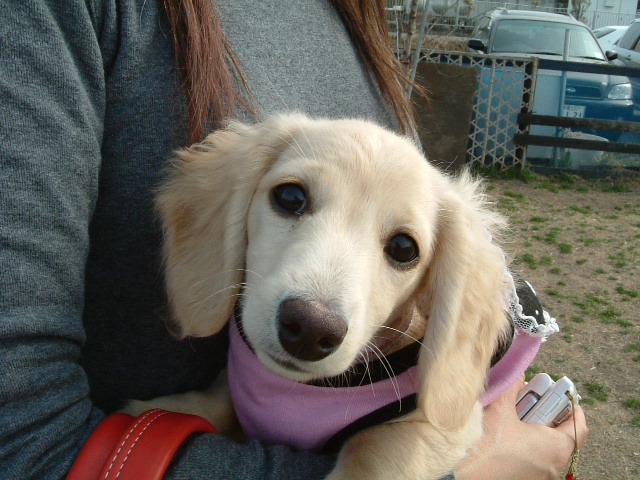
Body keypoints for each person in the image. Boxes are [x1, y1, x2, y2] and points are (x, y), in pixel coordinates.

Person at [0, 1, 587, 479]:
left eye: (401, 249)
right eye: (292, 199)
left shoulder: (356, 21)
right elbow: (22, 443)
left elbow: (441, 421)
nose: (316, 315)